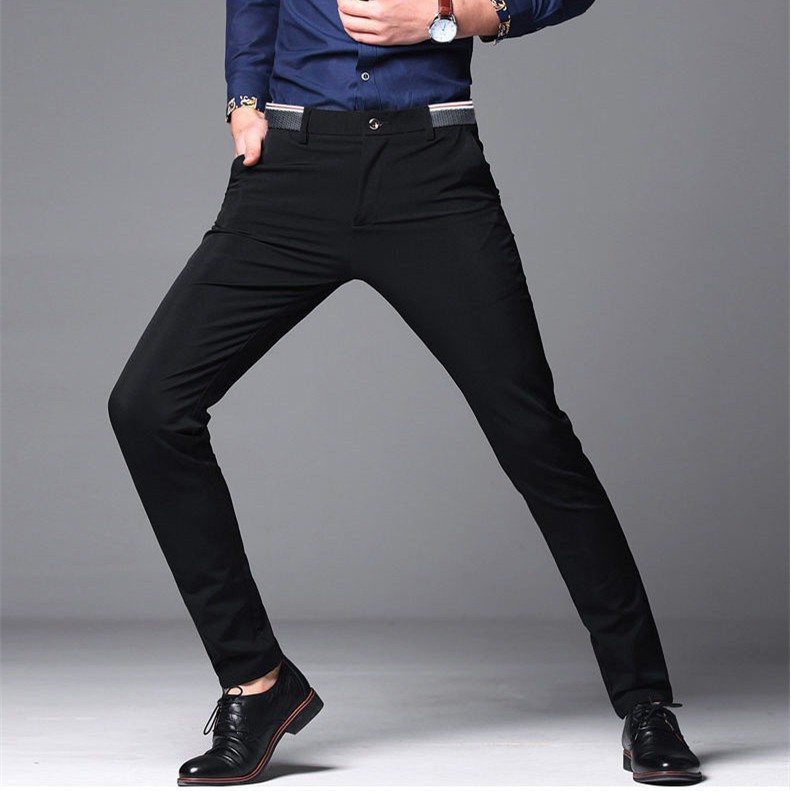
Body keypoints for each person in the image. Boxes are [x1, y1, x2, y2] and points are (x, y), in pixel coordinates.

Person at [108, 0, 702, 785]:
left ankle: (645, 701)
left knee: (534, 436)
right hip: (290, 172)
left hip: (431, 171)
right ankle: (254, 680)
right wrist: (242, 102)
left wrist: (451, 16)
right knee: (148, 406)